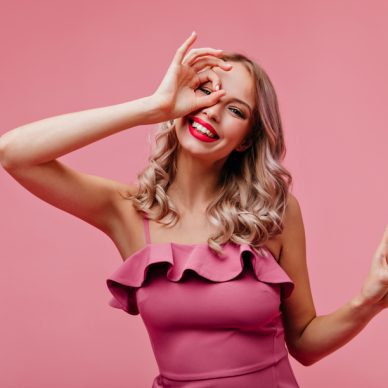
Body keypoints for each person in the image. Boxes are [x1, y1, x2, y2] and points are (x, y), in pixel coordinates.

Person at [0, 31, 387, 388]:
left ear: (245, 141)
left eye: (235, 110)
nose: (212, 111)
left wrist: (368, 300)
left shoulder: (276, 213)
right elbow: (15, 154)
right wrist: (153, 107)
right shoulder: (128, 212)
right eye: (204, 91)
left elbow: (303, 342)